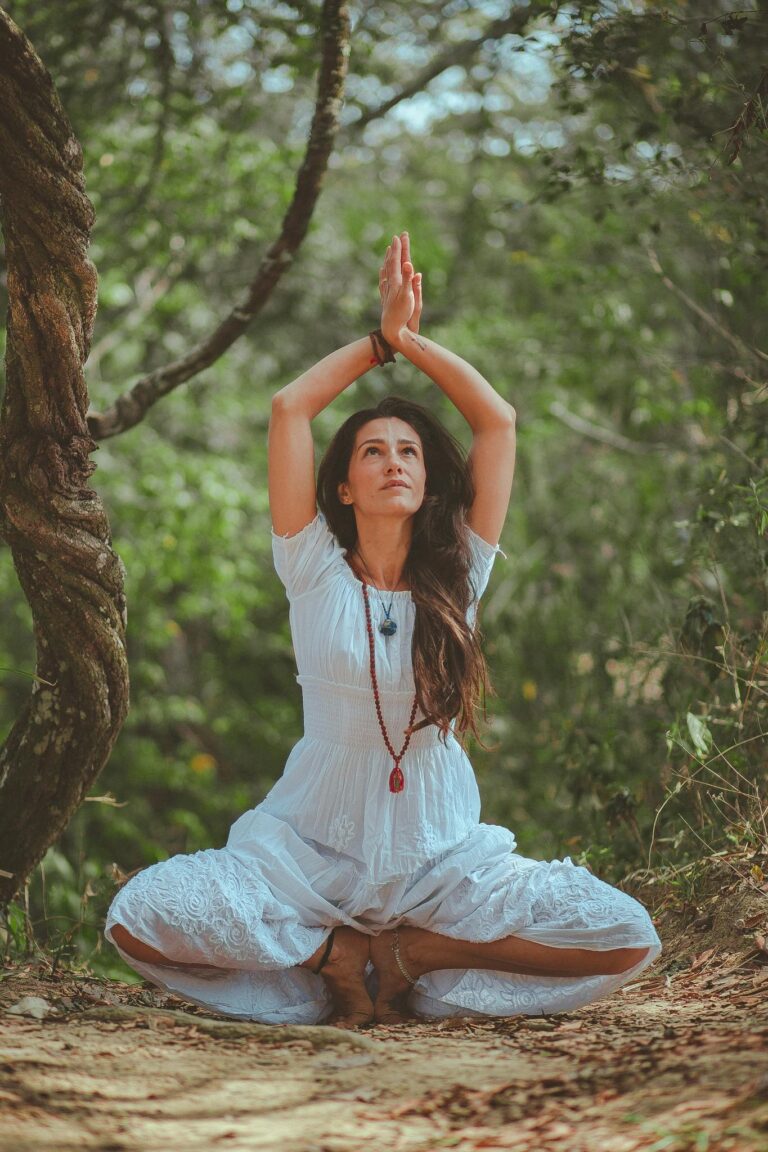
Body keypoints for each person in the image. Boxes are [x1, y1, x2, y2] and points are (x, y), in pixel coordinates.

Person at [106, 232, 661, 1027]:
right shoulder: (313, 569)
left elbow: (497, 423)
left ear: (430, 479)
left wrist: (412, 342)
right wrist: (374, 345)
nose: (394, 460)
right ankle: (330, 957)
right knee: (139, 915)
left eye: (409, 450)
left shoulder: (460, 573)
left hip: (439, 859)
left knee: (624, 934)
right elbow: (289, 407)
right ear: (343, 483)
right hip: (308, 855)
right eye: (373, 451)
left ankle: (415, 956)